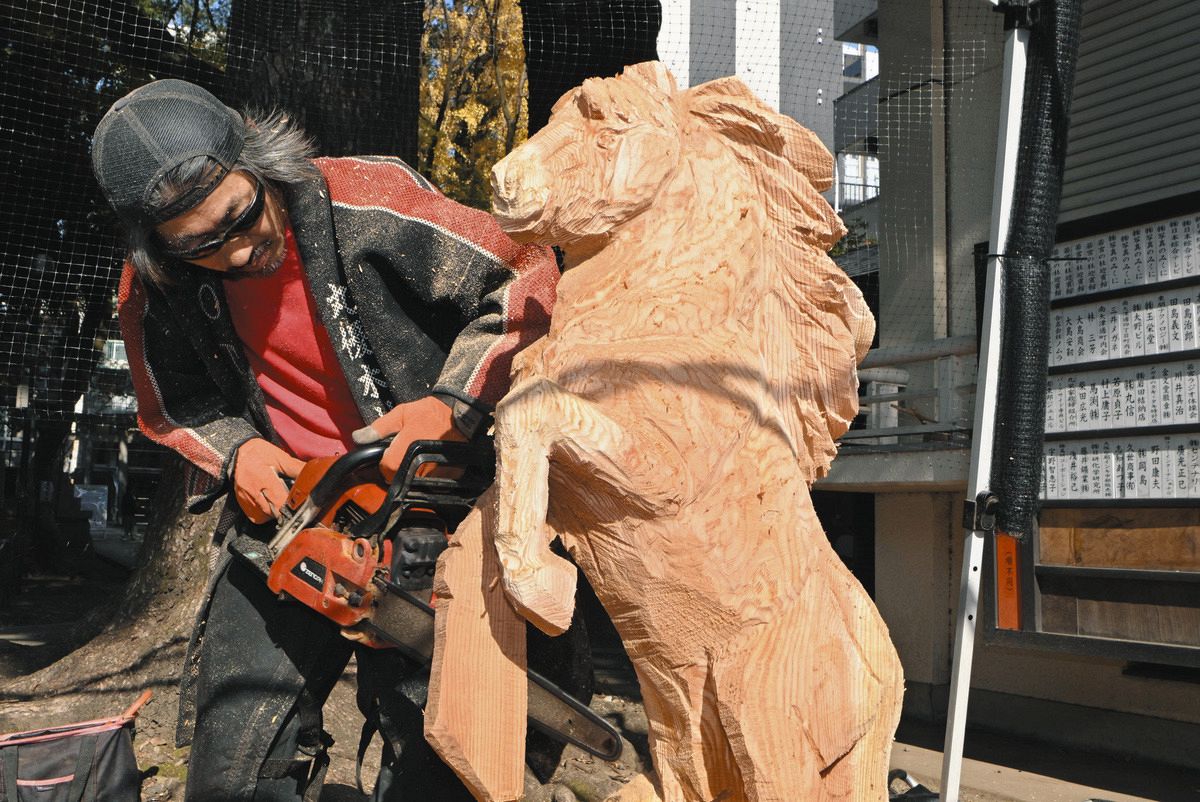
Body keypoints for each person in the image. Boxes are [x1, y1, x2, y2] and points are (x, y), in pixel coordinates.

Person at [91, 79, 565, 802]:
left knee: (443, 763)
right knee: (233, 762)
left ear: (256, 157)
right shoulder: (153, 286)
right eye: (200, 246)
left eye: (239, 215)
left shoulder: (371, 202)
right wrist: (239, 452)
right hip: (288, 522)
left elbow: (523, 275)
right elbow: (171, 403)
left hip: (438, 509)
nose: (236, 250)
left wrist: (453, 402)